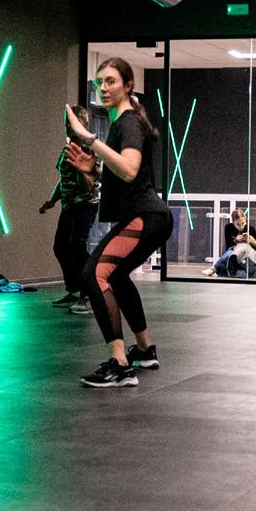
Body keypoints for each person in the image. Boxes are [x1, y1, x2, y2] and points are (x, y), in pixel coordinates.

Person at [64, 58, 173, 389]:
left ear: (127, 86)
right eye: (99, 82)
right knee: (117, 275)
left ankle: (120, 364)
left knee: (93, 274)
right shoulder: (122, 124)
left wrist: (89, 139)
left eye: (111, 81)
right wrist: (93, 171)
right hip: (147, 216)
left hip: (147, 216)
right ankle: (144, 349)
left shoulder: (128, 123)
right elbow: (124, 176)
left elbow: (128, 169)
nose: (103, 88)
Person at [40, 104, 101, 314]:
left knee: (77, 248)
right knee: (60, 247)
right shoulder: (67, 149)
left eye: (71, 122)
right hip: (69, 207)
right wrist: (51, 202)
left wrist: (81, 169)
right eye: (66, 122)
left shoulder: (89, 150)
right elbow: (63, 180)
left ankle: (88, 295)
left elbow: (89, 184)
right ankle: (73, 290)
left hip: (85, 206)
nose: (67, 126)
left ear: (82, 124)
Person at [205, 207, 256, 277]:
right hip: (234, 252)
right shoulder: (229, 227)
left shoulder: (251, 229)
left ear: (245, 219)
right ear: (233, 222)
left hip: (249, 254)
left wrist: (252, 241)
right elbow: (228, 246)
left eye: (243, 223)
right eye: (238, 224)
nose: (241, 227)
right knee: (231, 251)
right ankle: (229, 267)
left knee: (242, 246)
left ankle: (214, 268)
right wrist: (236, 240)